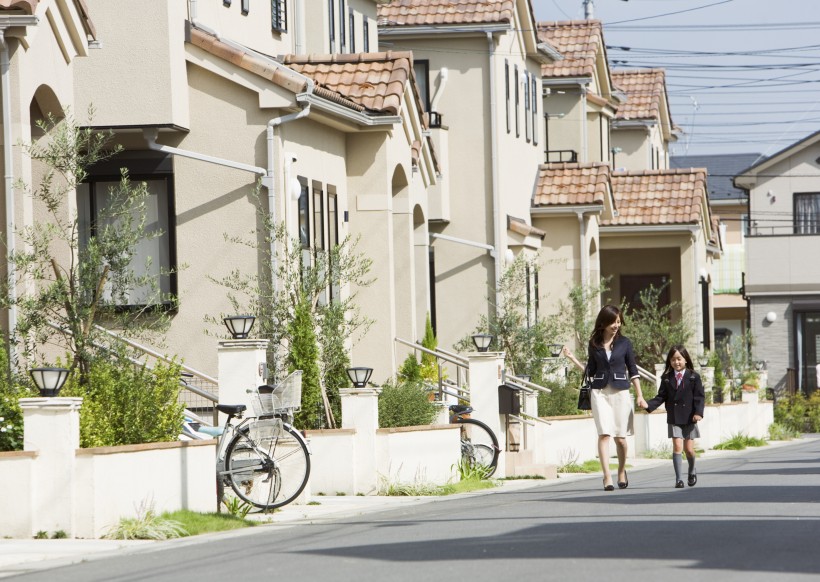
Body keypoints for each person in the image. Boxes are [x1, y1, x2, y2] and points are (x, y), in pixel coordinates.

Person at [563, 305, 646, 491]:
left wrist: (640, 395)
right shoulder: (594, 343)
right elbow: (590, 371)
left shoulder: (625, 343)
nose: (616, 325)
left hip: (620, 393)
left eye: (618, 321)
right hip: (599, 392)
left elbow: (633, 370)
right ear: (603, 322)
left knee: (621, 439)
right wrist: (573, 359)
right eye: (613, 322)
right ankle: (607, 476)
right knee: (604, 434)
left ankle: (622, 470)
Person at [641, 345, 705, 488]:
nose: (676, 362)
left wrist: (698, 413)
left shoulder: (694, 377)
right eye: (673, 359)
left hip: (690, 417)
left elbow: (699, 397)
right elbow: (661, 396)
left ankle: (691, 470)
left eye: (679, 359)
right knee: (677, 446)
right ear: (669, 362)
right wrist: (648, 405)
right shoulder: (666, 378)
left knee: (689, 449)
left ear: (685, 359)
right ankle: (678, 479)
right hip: (674, 417)